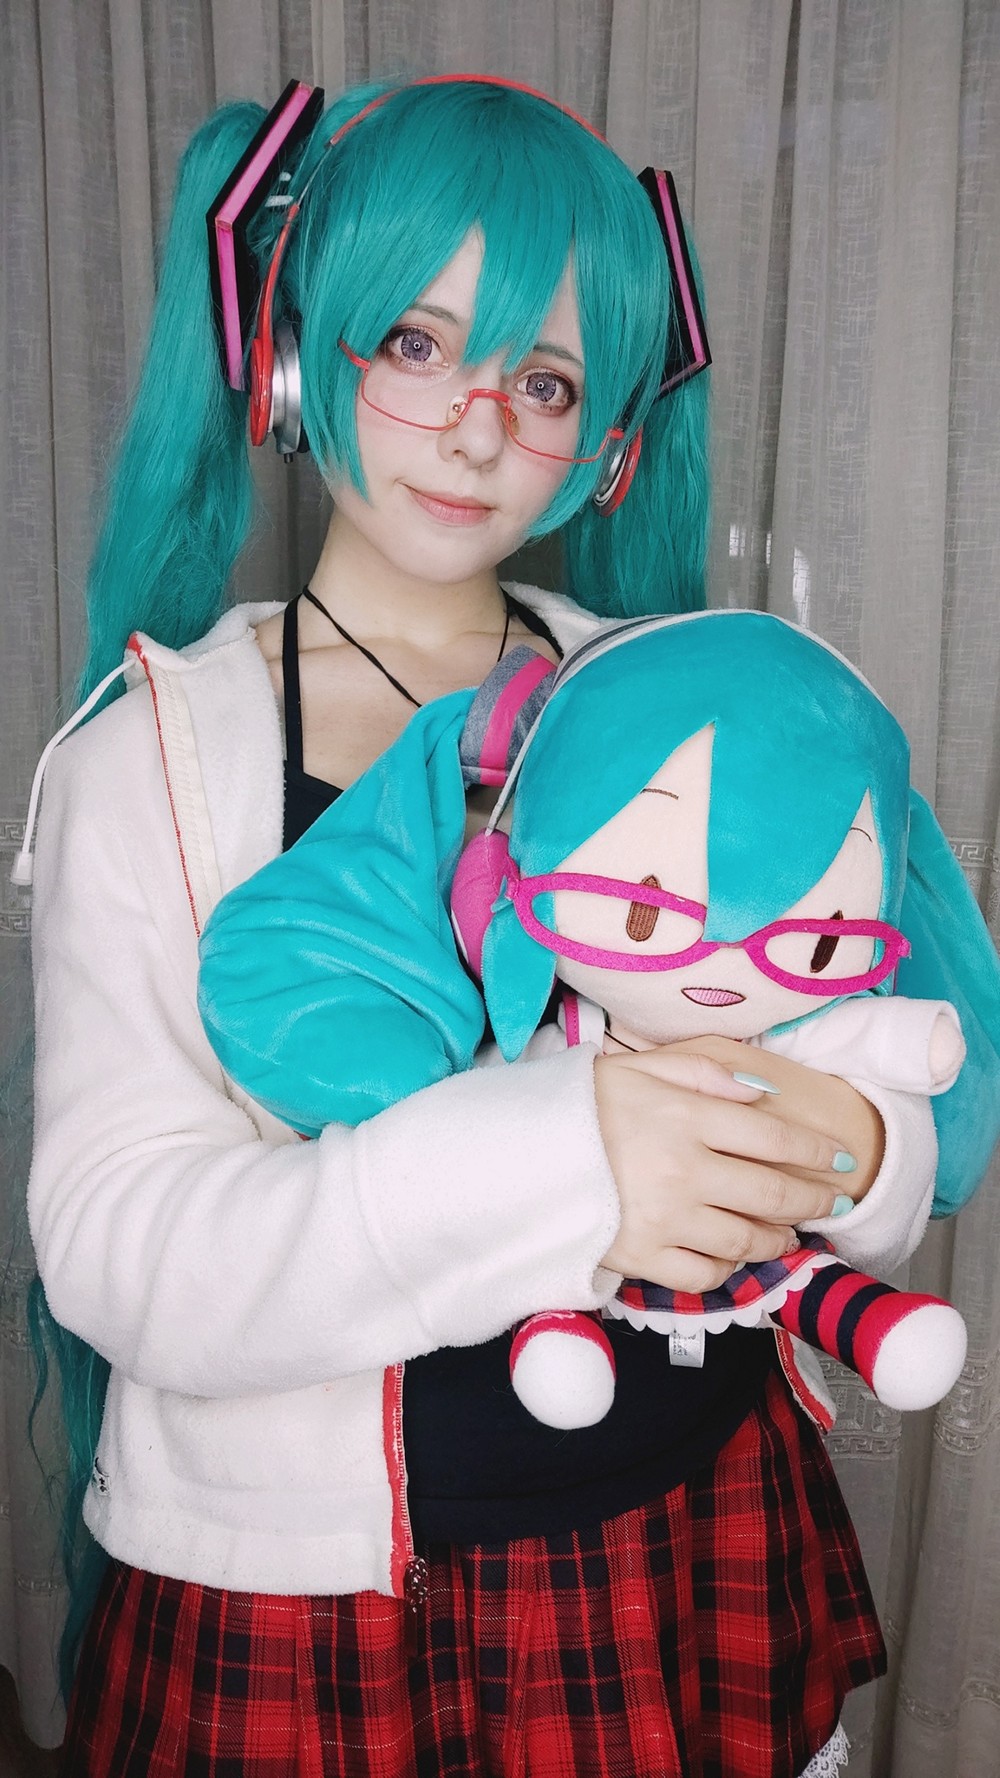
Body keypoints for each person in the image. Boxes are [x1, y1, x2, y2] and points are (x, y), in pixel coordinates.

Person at [22, 74, 999, 1778]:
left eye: (543, 379)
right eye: (415, 343)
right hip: (324, 1601)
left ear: (606, 433)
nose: (476, 428)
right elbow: (121, 1244)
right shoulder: (149, 759)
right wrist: (574, 1149)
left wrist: (858, 1146)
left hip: (699, 1513)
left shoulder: (680, 697)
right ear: (288, 356)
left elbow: (877, 1037)